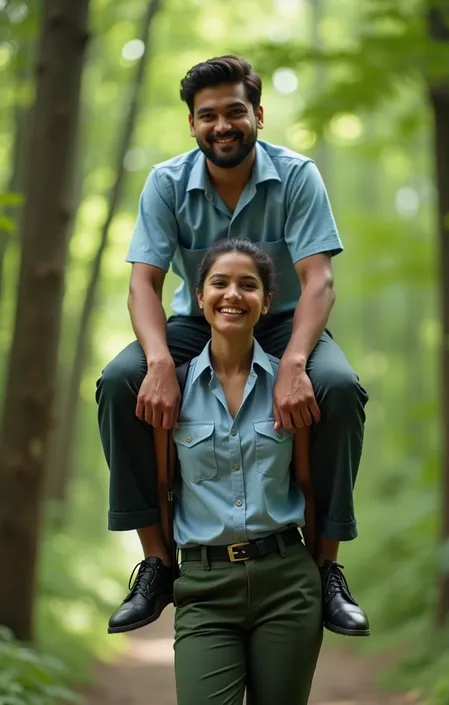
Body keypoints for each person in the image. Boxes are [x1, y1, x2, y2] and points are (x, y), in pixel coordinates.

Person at [97, 54, 370, 638]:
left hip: (285, 322)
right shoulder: (166, 183)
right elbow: (142, 282)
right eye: (208, 116)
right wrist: (158, 363)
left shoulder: (298, 176)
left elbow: (318, 279)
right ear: (192, 124)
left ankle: (326, 569)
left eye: (235, 112)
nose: (222, 125)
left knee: (340, 388)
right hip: (193, 326)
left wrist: (296, 362)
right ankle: (157, 563)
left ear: (259, 115)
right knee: (120, 382)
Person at [176, 238, 322, 705]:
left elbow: (307, 484)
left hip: (287, 584)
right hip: (203, 588)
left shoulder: (292, 388)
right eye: (219, 283)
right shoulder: (172, 390)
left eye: (248, 285)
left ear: (267, 302)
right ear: (199, 297)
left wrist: (321, 569)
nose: (233, 295)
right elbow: (161, 487)